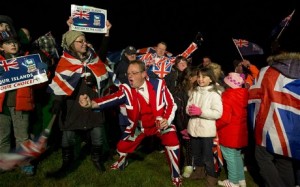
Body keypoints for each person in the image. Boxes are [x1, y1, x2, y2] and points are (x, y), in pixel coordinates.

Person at [79, 60, 182, 187]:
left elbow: (171, 104)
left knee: (173, 143)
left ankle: (176, 175)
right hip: (139, 127)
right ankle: (122, 161)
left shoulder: (159, 84)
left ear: (144, 74)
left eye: (134, 73)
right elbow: (110, 99)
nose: (130, 76)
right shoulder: (126, 89)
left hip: (160, 125)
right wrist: (91, 104)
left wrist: (167, 119)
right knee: (121, 147)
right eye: (128, 73)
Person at [46, 20, 113, 177]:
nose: (85, 43)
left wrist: (107, 33)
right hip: (72, 104)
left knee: (97, 132)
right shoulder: (65, 62)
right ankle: (67, 162)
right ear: (71, 44)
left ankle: (96, 159)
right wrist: (57, 101)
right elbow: (60, 83)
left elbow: (102, 55)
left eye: (85, 40)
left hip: (92, 101)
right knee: (68, 134)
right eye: (80, 41)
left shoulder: (93, 57)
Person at [248, 50, 300, 187]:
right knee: (285, 160)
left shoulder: (267, 71)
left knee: (262, 157)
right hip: (294, 127)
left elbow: (254, 95)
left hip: (270, 122)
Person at [0, 36, 37, 175]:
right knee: (2, 137)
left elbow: (39, 83)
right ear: (1, 47)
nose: (13, 45)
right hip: (2, 106)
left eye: (15, 42)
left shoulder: (27, 60)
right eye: (8, 43)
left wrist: (41, 70)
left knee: (22, 136)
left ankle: (25, 163)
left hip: (20, 104)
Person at [186, 67, 223, 186]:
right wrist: (189, 110)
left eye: (204, 77)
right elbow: (188, 106)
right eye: (199, 76)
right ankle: (199, 172)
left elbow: (218, 113)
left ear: (211, 79)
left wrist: (201, 112)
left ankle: (212, 177)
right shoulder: (195, 91)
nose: (201, 79)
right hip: (193, 129)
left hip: (206, 131)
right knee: (196, 153)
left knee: (207, 156)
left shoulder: (214, 94)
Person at [216, 72, 248, 187]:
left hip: (228, 132)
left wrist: (214, 126)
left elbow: (225, 119)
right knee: (237, 155)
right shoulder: (244, 94)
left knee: (229, 156)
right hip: (240, 131)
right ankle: (241, 180)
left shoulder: (228, 95)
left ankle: (233, 181)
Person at [172, 66, 198, 178]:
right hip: (182, 124)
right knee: (181, 145)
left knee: (191, 146)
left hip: (193, 123)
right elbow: (177, 112)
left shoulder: (197, 89)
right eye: (197, 76)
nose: (199, 78)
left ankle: (190, 166)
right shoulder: (179, 91)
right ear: (191, 78)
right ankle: (180, 166)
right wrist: (182, 128)